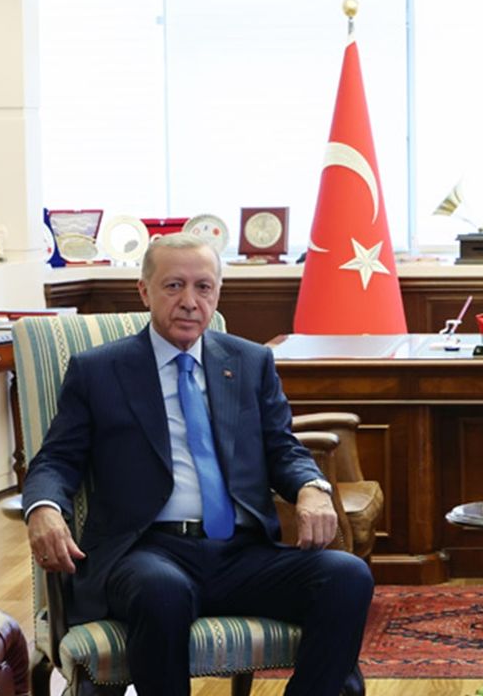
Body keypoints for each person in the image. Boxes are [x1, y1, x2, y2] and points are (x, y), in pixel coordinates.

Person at [22, 233, 372, 696]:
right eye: (174, 286)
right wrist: (43, 507)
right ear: (145, 291)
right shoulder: (99, 370)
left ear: (218, 293)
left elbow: (282, 448)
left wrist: (312, 487)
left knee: (347, 577)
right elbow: (56, 459)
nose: (190, 301)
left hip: (241, 553)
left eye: (203, 287)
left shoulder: (250, 362)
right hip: (147, 551)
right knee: (163, 591)